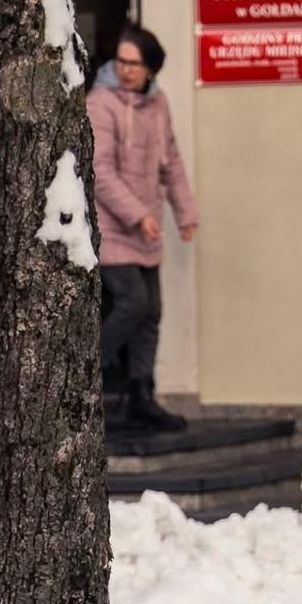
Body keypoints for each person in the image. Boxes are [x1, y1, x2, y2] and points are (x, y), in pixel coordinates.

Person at [90, 27, 197, 431]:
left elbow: (171, 161)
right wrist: (138, 215)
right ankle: (81, 376)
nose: (126, 70)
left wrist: (185, 213)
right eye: (121, 61)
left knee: (151, 312)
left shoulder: (157, 103)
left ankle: (141, 395)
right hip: (112, 224)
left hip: (145, 226)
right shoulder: (101, 103)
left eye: (134, 63)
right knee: (132, 302)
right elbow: (100, 172)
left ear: (151, 67)